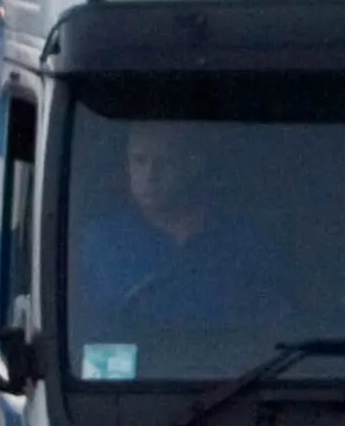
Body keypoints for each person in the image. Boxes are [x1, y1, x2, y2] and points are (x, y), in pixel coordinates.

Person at [71, 121, 286, 341]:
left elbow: (273, 329)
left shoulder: (245, 241)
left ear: (193, 165)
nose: (149, 176)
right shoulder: (100, 243)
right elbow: (84, 334)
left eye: (164, 162)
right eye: (139, 161)